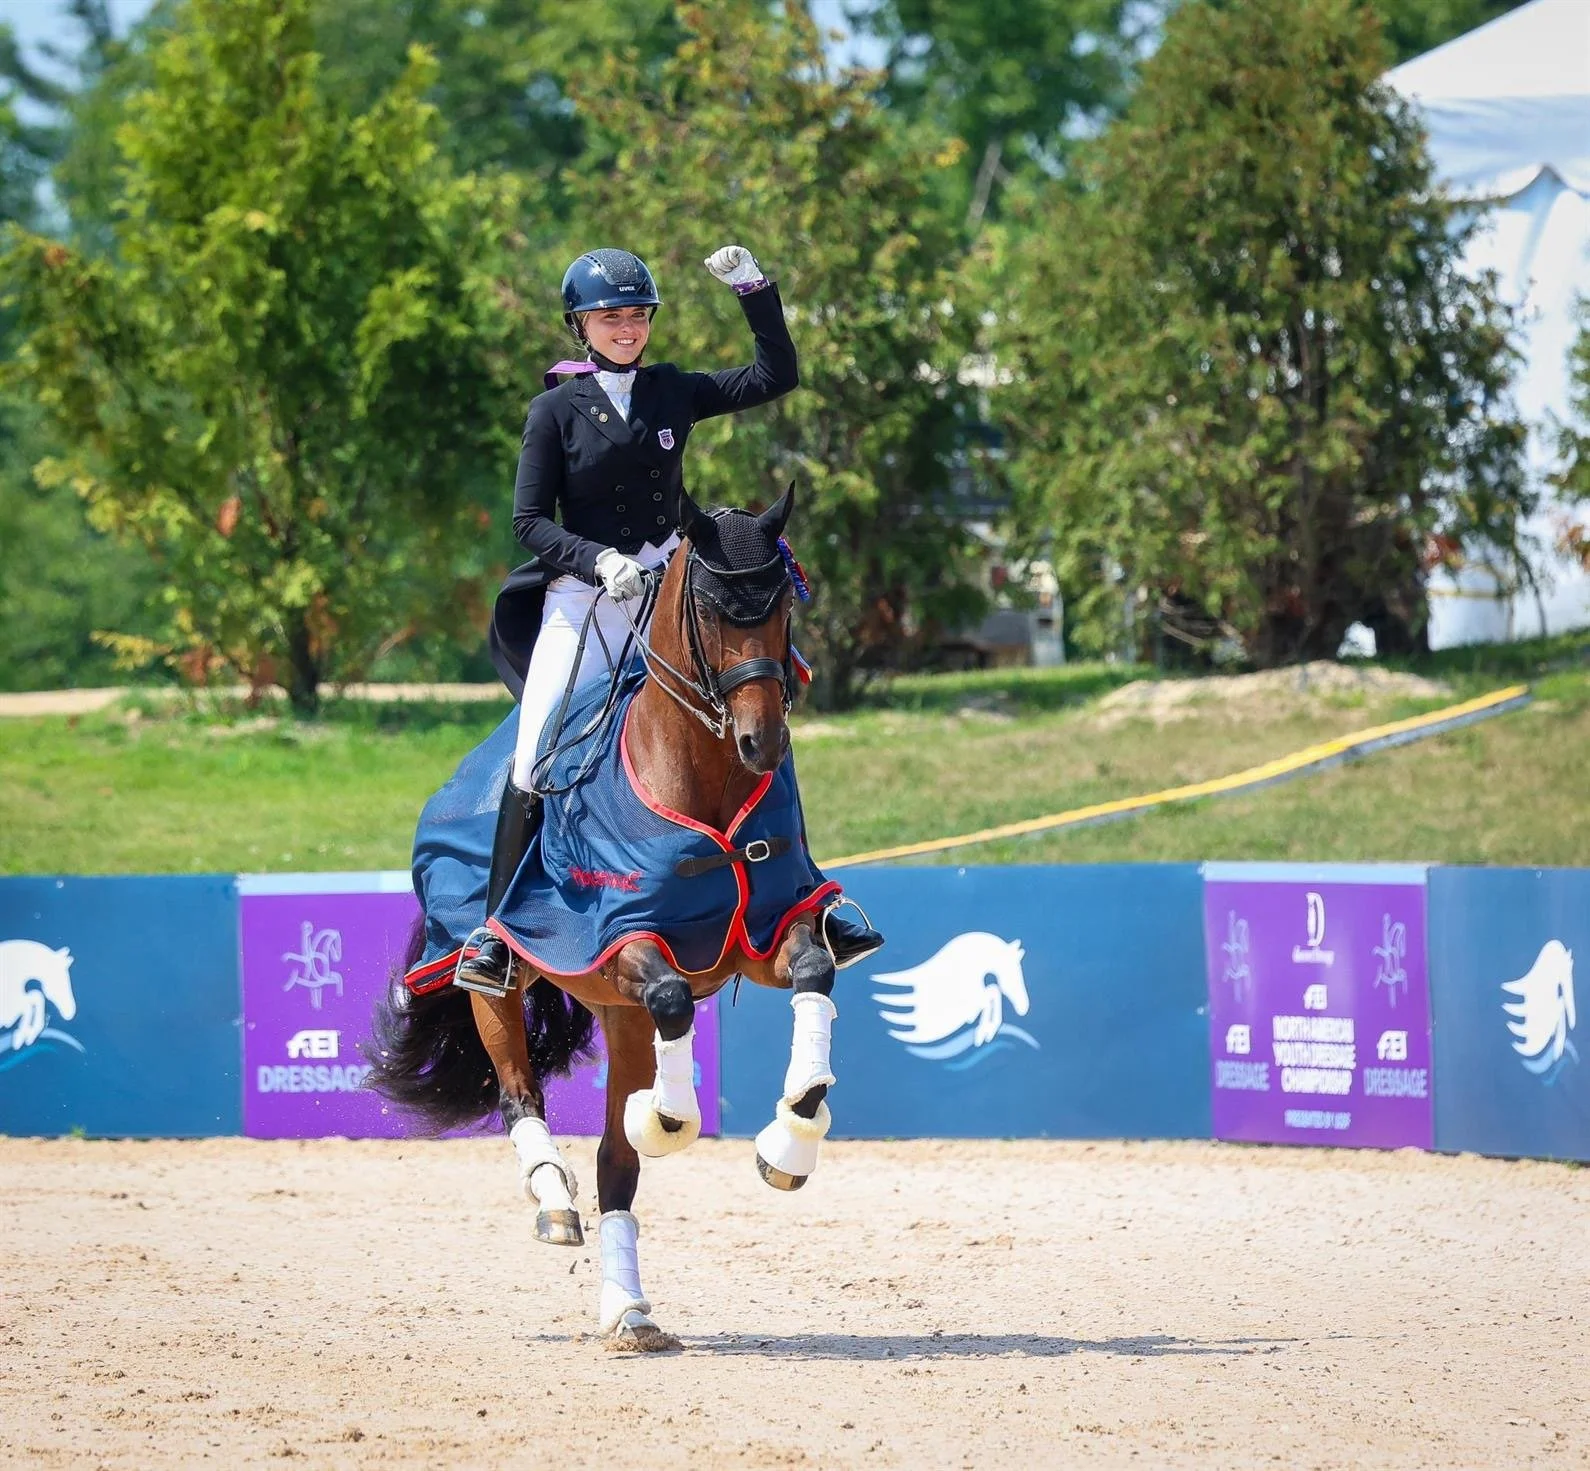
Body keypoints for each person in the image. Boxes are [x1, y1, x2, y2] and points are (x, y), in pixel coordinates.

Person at [457, 245, 883, 993]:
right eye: (610, 317)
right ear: (581, 325)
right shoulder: (552, 410)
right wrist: (596, 561)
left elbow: (775, 375)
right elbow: (528, 521)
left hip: (669, 596)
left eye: (637, 315)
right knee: (534, 752)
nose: (626, 329)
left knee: (759, 713)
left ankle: (816, 899)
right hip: (587, 601)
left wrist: (753, 291)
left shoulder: (672, 391)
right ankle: (497, 935)